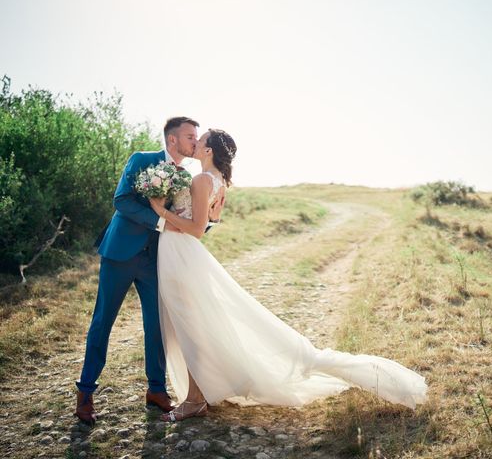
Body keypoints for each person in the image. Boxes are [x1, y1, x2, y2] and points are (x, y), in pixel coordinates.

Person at [148, 129, 428, 422]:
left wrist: (160, 211)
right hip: (181, 253)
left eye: (200, 139)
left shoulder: (203, 180)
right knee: (193, 326)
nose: (195, 142)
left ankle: (195, 399)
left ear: (208, 151)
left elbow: (197, 229)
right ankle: (201, 392)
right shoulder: (216, 181)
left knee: (191, 327)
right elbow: (209, 222)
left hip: (183, 254)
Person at [74, 117, 199, 425]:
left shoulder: (188, 175)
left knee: (156, 324)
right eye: (189, 136)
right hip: (121, 252)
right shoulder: (142, 160)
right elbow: (122, 200)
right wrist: (159, 221)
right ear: (172, 140)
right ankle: (85, 393)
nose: (195, 141)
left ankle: (156, 390)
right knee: (103, 321)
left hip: (155, 258)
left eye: (196, 137)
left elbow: (187, 217)